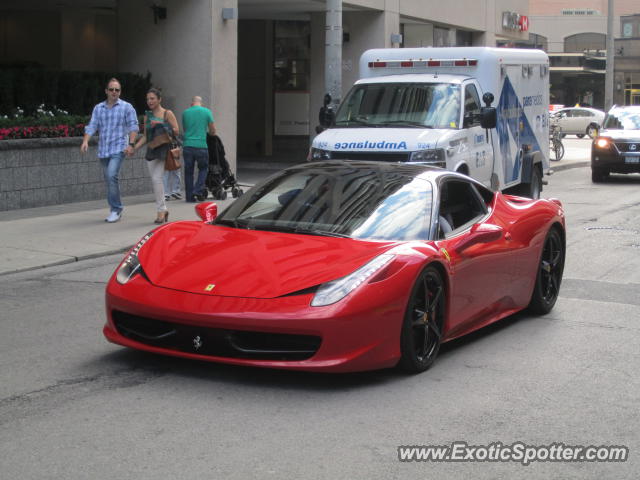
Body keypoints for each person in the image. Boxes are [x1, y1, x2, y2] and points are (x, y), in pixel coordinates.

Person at [81, 78, 139, 223]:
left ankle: (116, 209)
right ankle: (115, 208)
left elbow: (133, 126)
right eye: (111, 89)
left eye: (117, 90)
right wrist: (85, 141)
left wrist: (131, 144)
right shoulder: (98, 108)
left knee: (112, 175)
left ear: (120, 92)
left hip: (119, 147)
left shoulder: (126, 107)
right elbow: (92, 125)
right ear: (106, 91)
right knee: (109, 179)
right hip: (104, 149)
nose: (114, 92)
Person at [131, 88, 179, 224]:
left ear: (159, 99)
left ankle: (161, 211)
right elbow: (146, 136)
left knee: (157, 178)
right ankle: (164, 209)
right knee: (154, 180)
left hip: (164, 151)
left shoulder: (167, 113)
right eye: (147, 99)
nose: (149, 101)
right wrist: (134, 148)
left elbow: (176, 131)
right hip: (152, 151)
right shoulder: (147, 116)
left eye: (152, 98)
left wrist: (162, 125)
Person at [182, 96, 216, 202]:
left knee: (188, 172)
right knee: (203, 169)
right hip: (201, 146)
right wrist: (209, 133)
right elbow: (213, 130)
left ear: (192, 103)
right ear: (201, 103)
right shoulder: (207, 112)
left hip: (187, 146)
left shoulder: (185, 113)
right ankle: (197, 190)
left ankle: (189, 197)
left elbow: (185, 129)